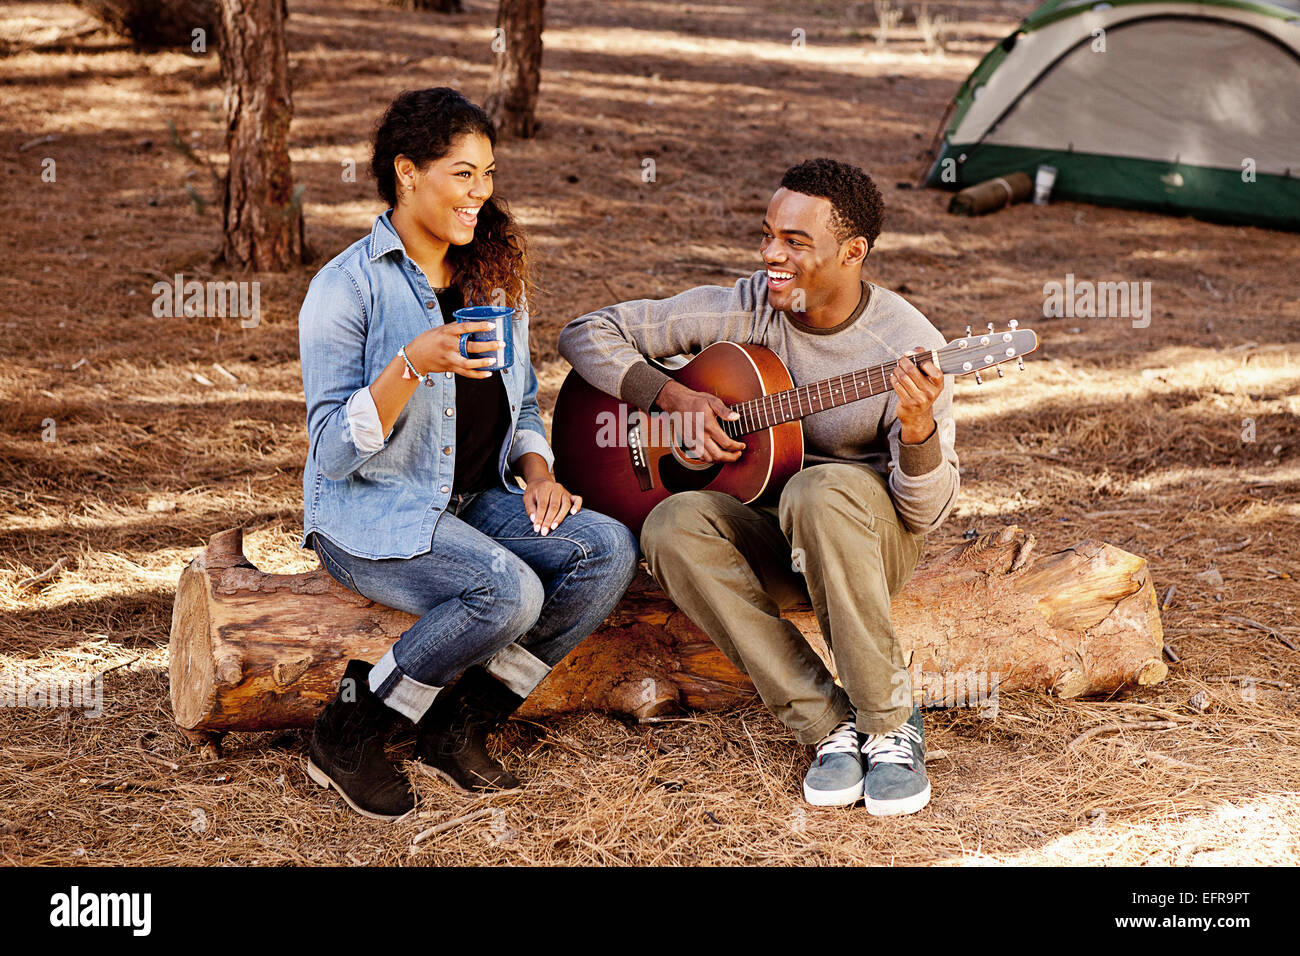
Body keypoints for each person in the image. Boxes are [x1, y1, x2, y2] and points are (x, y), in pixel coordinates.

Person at [557, 158, 958, 815]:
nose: (771, 254)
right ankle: (826, 724)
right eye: (767, 233)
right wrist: (672, 397)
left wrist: (917, 432)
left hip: (861, 542)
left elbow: (927, 513)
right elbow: (585, 333)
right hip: (769, 533)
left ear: (853, 252)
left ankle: (888, 725)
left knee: (817, 492)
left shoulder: (907, 344)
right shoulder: (744, 307)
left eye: (795, 242)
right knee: (669, 525)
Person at [297, 88, 639, 820]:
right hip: (369, 513)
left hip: (472, 502)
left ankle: (459, 727)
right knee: (509, 591)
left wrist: (539, 471)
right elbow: (330, 454)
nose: (480, 192)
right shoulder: (345, 288)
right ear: (407, 173)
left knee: (606, 547)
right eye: (462, 173)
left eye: (487, 174)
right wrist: (409, 365)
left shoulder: (490, 277)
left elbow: (519, 404)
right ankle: (350, 728)